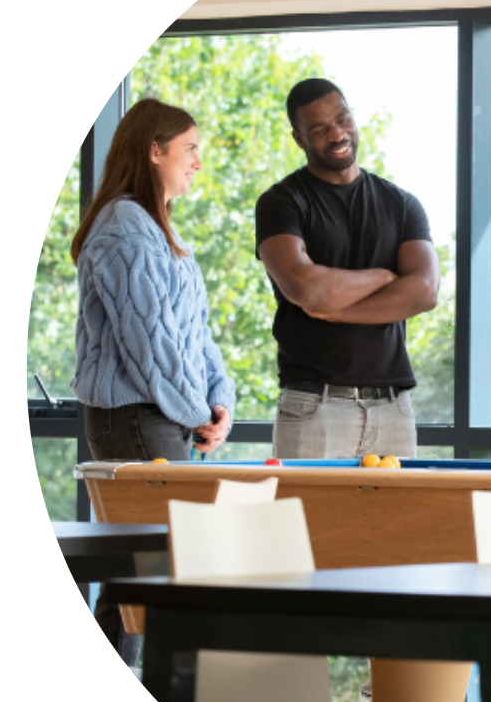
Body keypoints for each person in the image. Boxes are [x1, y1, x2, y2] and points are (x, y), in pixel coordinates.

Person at [254, 78, 439, 461]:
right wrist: (384, 277)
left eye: (342, 119)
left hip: (393, 405)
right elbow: (308, 290)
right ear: (299, 138)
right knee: (309, 522)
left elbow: (424, 291)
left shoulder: (402, 204)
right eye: (319, 130)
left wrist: (334, 310)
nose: (337, 134)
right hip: (313, 404)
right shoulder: (281, 203)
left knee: (397, 522)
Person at [71, 97, 235, 461]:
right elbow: (148, 342)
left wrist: (220, 398)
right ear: (155, 150)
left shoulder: (161, 232)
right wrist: (199, 413)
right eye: (190, 148)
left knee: (174, 520)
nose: (198, 162)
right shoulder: (126, 226)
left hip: (164, 412)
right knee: (169, 521)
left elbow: (196, 331)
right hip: (137, 416)